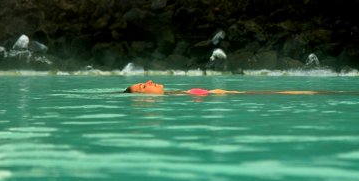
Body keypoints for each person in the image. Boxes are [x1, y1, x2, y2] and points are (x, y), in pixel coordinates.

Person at [123, 80, 319, 95]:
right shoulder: (175, 98)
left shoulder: (173, 95)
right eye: (143, 86)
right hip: (241, 97)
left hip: (238, 95)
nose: (149, 81)